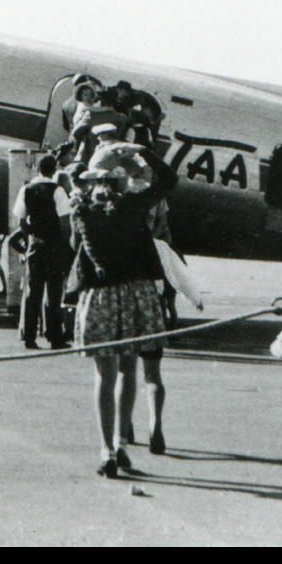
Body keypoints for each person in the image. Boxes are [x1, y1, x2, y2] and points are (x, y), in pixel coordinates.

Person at [70, 144, 178, 476]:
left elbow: (78, 248)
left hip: (100, 297)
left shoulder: (81, 212)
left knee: (103, 376)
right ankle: (121, 444)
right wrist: (141, 152)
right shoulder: (133, 206)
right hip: (135, 295)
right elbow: (168, 179)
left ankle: (106, 452)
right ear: (120, 182)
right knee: (128, 372)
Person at [12, 155, 72, 350]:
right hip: (54, 246)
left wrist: (33, 235)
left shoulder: (26, 189)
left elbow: (21, 221)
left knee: (33, 292)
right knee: (54, 294)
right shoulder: (58, 190)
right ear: (54, 170)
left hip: (35, 246)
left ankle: (30, 337)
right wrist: (64, 244)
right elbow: (64, 222)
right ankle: (55, 337)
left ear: (37, 169)